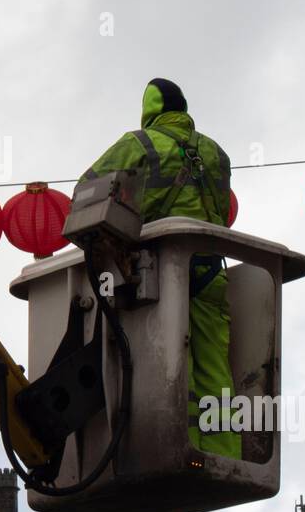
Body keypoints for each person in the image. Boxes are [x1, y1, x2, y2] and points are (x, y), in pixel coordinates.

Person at [80, 78, 240, 459]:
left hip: (161, 271)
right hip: (210, 271)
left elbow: (88, 190)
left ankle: (183, 454)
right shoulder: (216, 153)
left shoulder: (139, 144)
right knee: (216, 372)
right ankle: (223, 454)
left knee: (170, 363)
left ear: (149, 110)